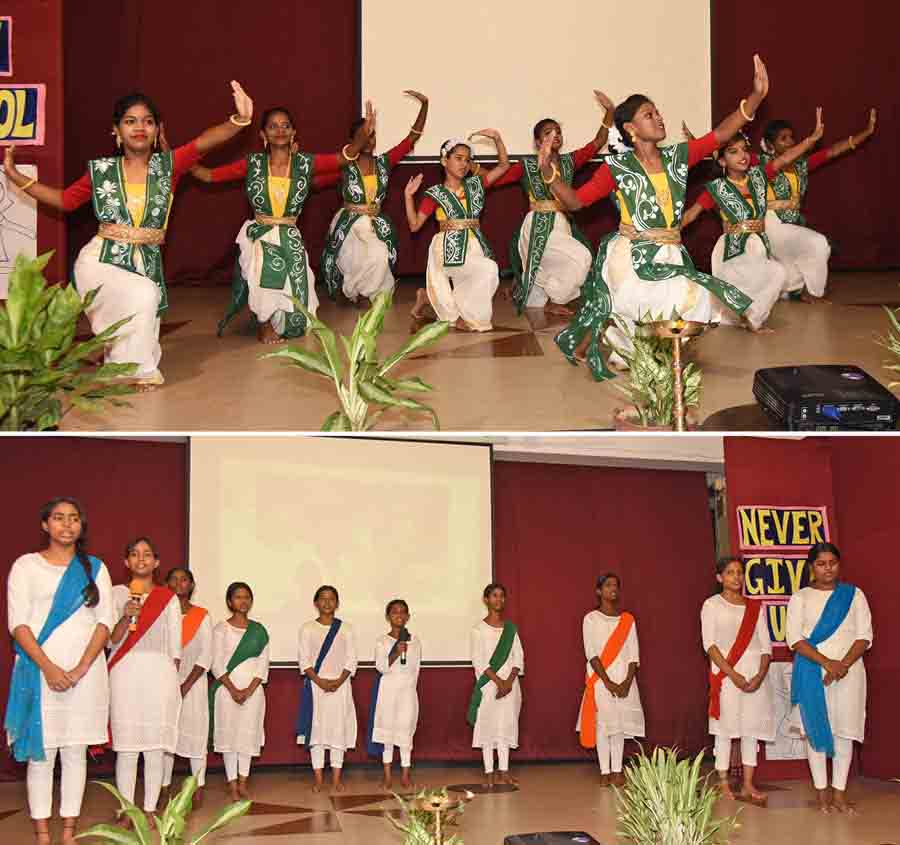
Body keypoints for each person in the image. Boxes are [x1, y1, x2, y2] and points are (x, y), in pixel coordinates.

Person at [1, 82, 255, 390]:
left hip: (146, 261)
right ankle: (134, 372)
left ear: (157, 130)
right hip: (100, 260)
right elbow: (65, 200)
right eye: (130, 121)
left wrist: (239, 120)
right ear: (116, 130)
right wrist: (15, 176)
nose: (139, 128)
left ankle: (120, 366)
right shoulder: (102, 171)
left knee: (143, 310)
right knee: (143, 294)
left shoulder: (168, 166)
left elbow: (204, 143)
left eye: (147, 121)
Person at [543, 56, 772, 380]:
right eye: (649, 115)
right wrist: (549, 175)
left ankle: (642, 354)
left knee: (694, 298)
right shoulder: (617, 168)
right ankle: (629, 350)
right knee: (641, 302)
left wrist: (756, 97)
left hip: (670, 253)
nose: (659, 118)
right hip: (631, 254)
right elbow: (577, 202)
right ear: (631, 129)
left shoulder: (678, 157)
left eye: (658, 112)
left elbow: (721, 135)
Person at [194, 103, 376, 343]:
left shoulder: (305, 163)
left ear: (293, 133)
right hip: (260, 233)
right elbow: (208, 175)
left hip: (289, 235)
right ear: (263, 135)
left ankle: (279, 320)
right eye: (273, 126)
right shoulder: (252, 163)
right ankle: (265, 323)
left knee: (300, 310)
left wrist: (363, 135)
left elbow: (345, 157)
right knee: (264, 267)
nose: (280, 130)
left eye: (285, 126)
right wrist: (179, 160)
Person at [5, 498, 113, 844]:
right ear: (45, 525)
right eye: (58, 518)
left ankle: (68, 833)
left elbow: (105, 622)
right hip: (38, 672)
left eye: (74, 518)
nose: (67, 524)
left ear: (82, 525)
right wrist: (49, 668)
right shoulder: (26, 566)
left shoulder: (95, 569)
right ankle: (42, 835)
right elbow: (18, 624)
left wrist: (81, 668)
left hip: (86, 673)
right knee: (42, 754)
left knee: (75, 752)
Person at [680, 111, 825, 331]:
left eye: (744, 150)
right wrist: (666, 233)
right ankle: (752, 320)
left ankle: (750, 317)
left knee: (774, 275)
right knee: (776, 273)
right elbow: (691, 215)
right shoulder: (716, 189)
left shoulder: (759, 176)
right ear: (722, 161)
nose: (742, 155)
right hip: (732, 250)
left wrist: (811, 140)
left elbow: (785, 158)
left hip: (758, 244)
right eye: (733, 152)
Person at [494, 92, 613, 316]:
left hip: (561, 222)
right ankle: (557, 298)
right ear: (538, 142)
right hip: (537, 225)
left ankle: (533, 292)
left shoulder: (570, 161)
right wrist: (470, 168)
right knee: (581, 256)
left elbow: (597, 142)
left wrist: (610, 112)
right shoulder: (527, 165)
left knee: (535, 300)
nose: (555, 135)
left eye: (558, 131)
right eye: (548, 132)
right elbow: (494, 178)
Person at [786, 543, 872, 814]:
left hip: (850, 672)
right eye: (821, 563)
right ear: (812, 567)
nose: (828, 568)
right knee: (815, 731)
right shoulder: (800, 598)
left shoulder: (854, 595)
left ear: (839, 564)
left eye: (832, 562)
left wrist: (842, 665)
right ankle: (822, 794)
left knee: (845, 732)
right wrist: (827, 663)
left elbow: (864, 636)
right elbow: (795, 639)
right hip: (812, 671)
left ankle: (840, 794)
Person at [319, 92, 428, 306]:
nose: (369, 140)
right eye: (364, 135)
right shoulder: (344, 165)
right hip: (350, 225)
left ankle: (362, 293)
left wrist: (425, 105)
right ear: (354, 140)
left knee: (379, 254)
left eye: (372, 135)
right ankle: (355, 293)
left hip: (375, 223)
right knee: (355, 259)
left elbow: (411, 138)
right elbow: (314, 179)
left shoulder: (384, 163)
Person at [759, 109, 876, 301]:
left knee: (792, 266)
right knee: (818, 243)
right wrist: (812, 139)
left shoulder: (801, 165)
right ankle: (813, 293)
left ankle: (789, 290)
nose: (790, 142)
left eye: (791, 137)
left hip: (791, 224)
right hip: (771, 224)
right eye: (783, 138)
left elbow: (833, 151)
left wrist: (866, 132)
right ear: (770, 145)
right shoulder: (763, 164)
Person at [405, 132, 510, 330]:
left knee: (479, 277)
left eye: (467, 160)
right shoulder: (436, 193)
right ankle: (460, 316)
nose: (464, 164)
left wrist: (497, 138)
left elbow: (504, 166)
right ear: (444, 161)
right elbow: (415, 225)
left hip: (473, 245)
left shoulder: (475, 185)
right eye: (458, 158)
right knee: (488, 269)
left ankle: (427, 297)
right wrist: (408, 196)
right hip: (447, 248)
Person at [107, 538, 181, 818]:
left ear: (156, 562)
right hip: (124, 674)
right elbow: (110, 640)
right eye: (135, 554)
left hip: (159, 674)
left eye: (147, 554)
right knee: (127, 747)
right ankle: (127, 810)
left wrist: (170, 682)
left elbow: (175, 648)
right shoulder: (116, 594)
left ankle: (150, 809)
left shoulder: (168, 598)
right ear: (126, 562)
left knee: (154, 747)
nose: (141, 559)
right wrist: (126, 617)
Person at [701, 557, 774, 803]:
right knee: (725, 729)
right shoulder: (711, 605)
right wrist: (734, 675)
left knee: (751, 728)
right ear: (719, 577)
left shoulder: (754, 607)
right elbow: (710, 645)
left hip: (754, 675)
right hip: (725, 675)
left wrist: (759, 676)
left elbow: (766, 647)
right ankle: (723, 783)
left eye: (740, 572)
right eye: (730, 572)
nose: (736, 577)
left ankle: (748, 784)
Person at [577, 574, 644, 787]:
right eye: (608, 585)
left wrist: (626, 683)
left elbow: (633, 654)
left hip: (624, 679)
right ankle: (604, 771)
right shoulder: (591, 619)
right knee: (603, 726)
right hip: (600, 679)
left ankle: (617, 770)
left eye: (615, 585)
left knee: (619, 726)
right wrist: (607, 682)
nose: (612, 588)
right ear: (599, 591)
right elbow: (592, 653)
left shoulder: (627, 620)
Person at [210, 581, 270, 801]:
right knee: (229, 737)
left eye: (246, 597)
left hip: (253, 692)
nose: (243, 601)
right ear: (229, 601)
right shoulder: (221, 629)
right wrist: (234, 690)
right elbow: (216, 663)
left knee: (247, 735)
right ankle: (232, 783)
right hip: (227, 691)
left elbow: (263, 664)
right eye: (238, 597)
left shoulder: (259, 631)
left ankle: (243, 783)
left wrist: (248, 690)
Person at [297, 585, 358, 792]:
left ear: (337, 603)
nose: (327, 602)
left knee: (337, 732)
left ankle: (336, 779)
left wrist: (339, 681)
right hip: (316, 688)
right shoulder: (307, 628)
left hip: (341, 687)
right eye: (323, 599)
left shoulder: (346, 629)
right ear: (316, 603)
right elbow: (304, 660)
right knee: (317, 734)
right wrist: (320, 681)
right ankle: (318, 780)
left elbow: (351, 659)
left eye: (331, 599)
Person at [160, 567, 212, 807]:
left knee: (195, 734)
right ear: (166, 584)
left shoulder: (201, 616)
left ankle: (198, 785)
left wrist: (185, 685)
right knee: (165, 736)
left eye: (184, 580)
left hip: (193, 685)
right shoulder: (159, 615)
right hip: (164, 684)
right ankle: (162, 785)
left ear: (191, 585)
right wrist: (170, 685)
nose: (178, 583)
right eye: (173, 579)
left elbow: (206, 654)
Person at [468, 583, 524, 787]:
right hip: (489, 685)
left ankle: (504, 771)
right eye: (494, 596)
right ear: (486, 600)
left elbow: (518, 656)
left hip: (510, 685)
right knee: (488, 727)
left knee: (505, 726)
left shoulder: (510, 629)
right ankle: (489, 772)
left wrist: (508, 682)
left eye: (501, 596)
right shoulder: (479, 629)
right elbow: (479, 661)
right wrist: (499, 682)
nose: (498, 599)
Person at [368, 599, 421, 789]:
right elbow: (381, 667)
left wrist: (410, 690)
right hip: (388, 691)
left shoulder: (415, 641)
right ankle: (387, 775)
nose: (399, 615)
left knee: (405, 733)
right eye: (394, 612)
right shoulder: (382, 641)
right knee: (388, 734)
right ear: (388, 616)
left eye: (402, 612)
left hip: (407, 691)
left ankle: (405, 775)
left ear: (408, 616)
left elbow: (416, 669)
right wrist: (395, 653)